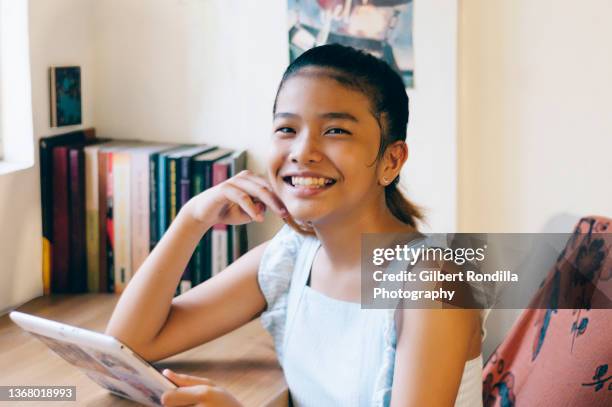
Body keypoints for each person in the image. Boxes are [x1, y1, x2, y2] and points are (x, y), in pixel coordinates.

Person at [105, 43, 486, 407]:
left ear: (391, 160)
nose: (303, 151)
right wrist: (192, 219)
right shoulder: (291, 258)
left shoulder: (434, 282)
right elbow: (127, 344)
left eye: (336, 130)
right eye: (287, 129)